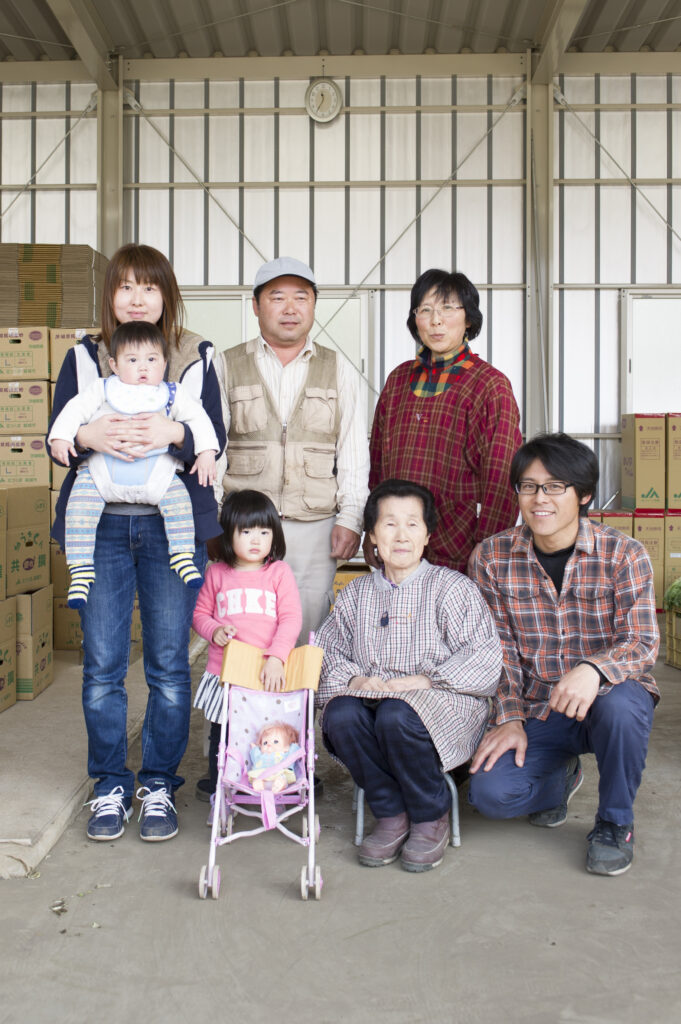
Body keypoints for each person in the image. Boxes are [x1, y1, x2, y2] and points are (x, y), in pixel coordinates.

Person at [47, 243, 226, 843]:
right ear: (111, 296)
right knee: (102, 665)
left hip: (168, 523)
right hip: (100, 523)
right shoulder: (84, 354)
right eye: (125, 287)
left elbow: (213, 436)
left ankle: (157, 784)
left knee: (169, 665)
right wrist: (88, 435)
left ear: (166, 295)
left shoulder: (194, 354)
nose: (137, 298)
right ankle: (108, 783)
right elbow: (59, 432)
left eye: (149, 287)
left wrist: (174, 431)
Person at [468, 433, 660, 876]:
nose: (540, 498)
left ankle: (614, 823)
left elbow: (642, 641)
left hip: (609, 700)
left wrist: (593, 670)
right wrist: (508, 717)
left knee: (621, 706)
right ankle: (561, 778)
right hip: (540, 707)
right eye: (529, 486)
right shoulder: (492, 558)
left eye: (555, 486)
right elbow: (498, 651)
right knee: (491, 796)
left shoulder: (623, 554)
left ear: (584, 494)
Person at [315, 479, 502, 872]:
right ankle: (390, 811)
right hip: (372, 696)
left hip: (441, 700)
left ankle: (429, 813)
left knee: (396, 714)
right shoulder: (356, 593)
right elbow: (328, 651)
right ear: (372, 535)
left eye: (412, 524)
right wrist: (355, 681)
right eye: (389, 524)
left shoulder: (452, 588)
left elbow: (484, 656)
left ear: (428, 535)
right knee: (341, 713)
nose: (401, 536)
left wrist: (424, 681)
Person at [217, 256, 369, 645]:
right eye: (277, 297)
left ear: (313, 305)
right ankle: (243, 690)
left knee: (307, 626)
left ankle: (301, 690)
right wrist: (214, 519)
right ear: (256, 305)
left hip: (314, 525)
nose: (290, 308)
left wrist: (351, 518)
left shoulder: (338, 368)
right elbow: (213, 450)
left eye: (301, 297)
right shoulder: (226, 365)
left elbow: (353, 451)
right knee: (243, 627)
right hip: (244, 522)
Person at [48, 321, 219, 607]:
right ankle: (80, 569)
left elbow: (200, 421)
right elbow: (72, 411)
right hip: (101, 477)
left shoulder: (173, 394)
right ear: (114, 365)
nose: (143, 368)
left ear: (164, 363)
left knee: (180, 503)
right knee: (79, 508)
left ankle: (182, 555)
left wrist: (206, 452)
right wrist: (62, 438)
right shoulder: (102, 389)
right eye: (132, 360)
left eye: (152, 359)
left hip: (157, 479)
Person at [365, 268, 521, 576]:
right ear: (415, 320)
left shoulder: (490, 385)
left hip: (460, 546)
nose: (436, 320)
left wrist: (487, 545)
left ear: (469, 319)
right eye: (425, 310)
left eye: (448, 308)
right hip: (398, 543)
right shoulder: (398, 380)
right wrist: (371, 528)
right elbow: (377, 465)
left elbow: (502, 477)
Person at [192, 489, 303, 794]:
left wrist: (277, 657)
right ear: (228, 534)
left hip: (267, 672)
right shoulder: (217, 573)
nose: (256, 540)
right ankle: (221, 789)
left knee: (265, 731)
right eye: (246, 532)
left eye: (264, 532)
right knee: (223, 733)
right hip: (225, 673)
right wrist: (214, 630)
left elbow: (291, 618)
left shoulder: (278, 573)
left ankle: (267, 781)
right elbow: (199, 614)